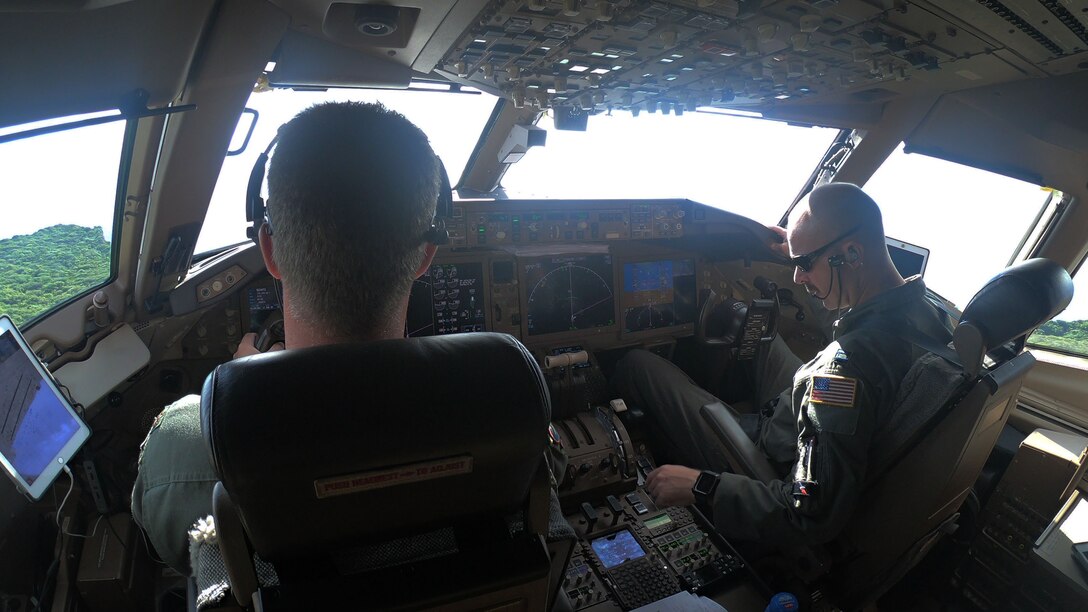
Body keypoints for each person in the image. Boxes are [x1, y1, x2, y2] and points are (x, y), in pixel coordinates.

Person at [131, 101, 441, 574]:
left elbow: (161, 544)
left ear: (270, 251)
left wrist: (244, 382)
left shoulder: (189, 442)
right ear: (425, 258)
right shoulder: (505, 396)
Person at [615, 183, 952, 546]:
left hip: (767, 457)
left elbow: (808, 511)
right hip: (806, 419)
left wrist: (702, 484)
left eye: (804, 264)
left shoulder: (839, 377)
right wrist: (797, 249)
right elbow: (854, 315)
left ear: (852, 254)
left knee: (638, 363)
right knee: (759, 331)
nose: (797, 278)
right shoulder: (929, 311)